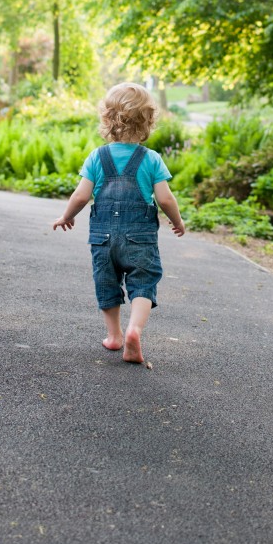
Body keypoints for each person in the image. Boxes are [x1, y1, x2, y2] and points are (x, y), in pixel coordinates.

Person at [53, 82, 185, 364]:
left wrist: (66, 216)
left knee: (106, 282)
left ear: (107, 119)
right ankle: (134, 330)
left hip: (103, 238)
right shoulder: (152, 159)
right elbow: (165, 199)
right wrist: (178, 221)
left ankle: (114, 336)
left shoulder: (97, 157)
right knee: (143, 281)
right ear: (148, 122)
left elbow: (81, 195)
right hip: (140, 237)